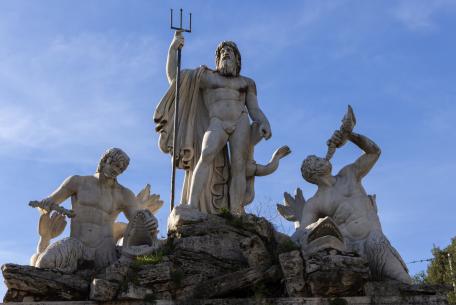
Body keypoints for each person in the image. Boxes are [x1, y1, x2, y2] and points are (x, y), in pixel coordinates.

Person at [154, 32, 272, 215]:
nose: (226, 53)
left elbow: (254, 109)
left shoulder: (247, 83)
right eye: (222, 52)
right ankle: (192, 205)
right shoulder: (206, 77)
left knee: (239, 166)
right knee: (205, 156)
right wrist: (172, 49)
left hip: (240, 120)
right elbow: (176, 80)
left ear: (237, 60)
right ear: (217, 59)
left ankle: (236, 211)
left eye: (230, 52)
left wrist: (263, 122)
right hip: (217, 121)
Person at [297, 129, 412, 283]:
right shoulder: (314, 203)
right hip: (348, 252)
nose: (322, 159)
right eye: (317, 161)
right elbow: (304, 233)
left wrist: (349, 135)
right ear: (313, 174)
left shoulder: (349, 173)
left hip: (374, 241)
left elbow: (374, 152)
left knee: (404, 282)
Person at [31, 148, 157, 272]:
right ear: (105, 160)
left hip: (104, 250)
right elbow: (47, 203)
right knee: (44, 262)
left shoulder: (124, 194)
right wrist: (44, 206)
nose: (116, 171)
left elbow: (139, 219)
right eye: (115, 165)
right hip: (77, 244)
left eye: (121, 169)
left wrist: (151, 222)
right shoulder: (77, 182)